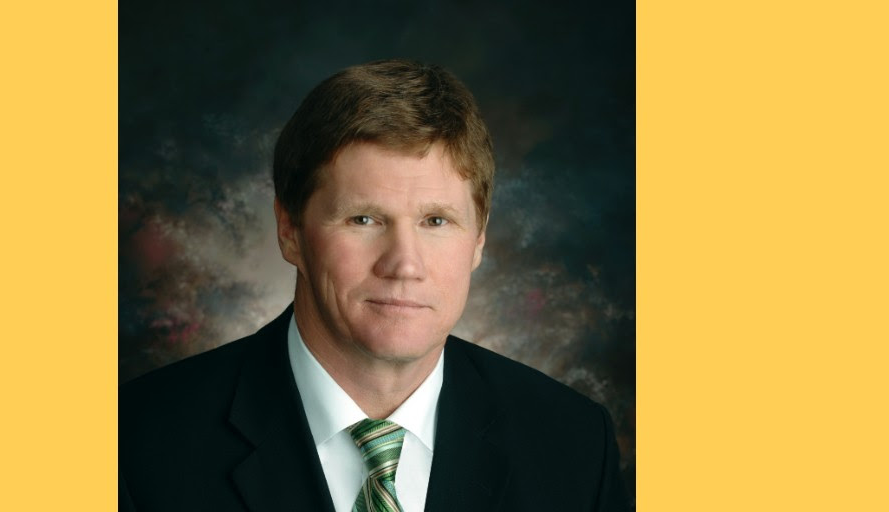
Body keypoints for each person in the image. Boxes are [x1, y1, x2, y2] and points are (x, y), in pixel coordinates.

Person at [120, 59, 630, 512]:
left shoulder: (574, 446)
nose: (404, 264)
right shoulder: (137, 444)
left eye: (436, 221)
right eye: (363, 219)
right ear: (290, 230)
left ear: (478, 239)